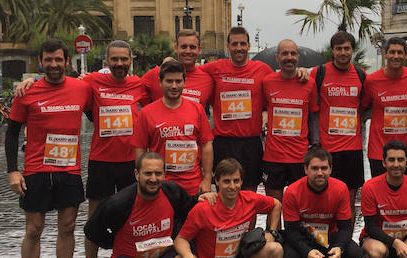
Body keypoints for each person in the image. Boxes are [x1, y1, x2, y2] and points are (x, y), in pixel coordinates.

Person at [5, 38, 93, 258]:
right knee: (33, 229)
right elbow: (12, 133)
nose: (53, 64)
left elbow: (100, 110)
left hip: (69, 170)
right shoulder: (27, 92)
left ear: (67, 61)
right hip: (36, 170)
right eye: (48, 60)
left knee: (67, 228)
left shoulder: (82, 88)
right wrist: (12, 170)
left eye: (58, 59)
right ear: (40, 62)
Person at [80, 40, 151, 258]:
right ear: (106, 62)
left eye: (124, 59)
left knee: (132, 219)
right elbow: (64, 85)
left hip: (130, 162)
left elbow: (161, 83)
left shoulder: (138, 85)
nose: (120, 64)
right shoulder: (91, 82)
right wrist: (28, 83)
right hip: (101, 160)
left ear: (130, 60)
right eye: (115, 60)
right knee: (94, 219)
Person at [173, 158, 284, 258]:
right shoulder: (203, 208)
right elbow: (181, 239)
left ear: (241, 181)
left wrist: (272, 232)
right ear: (216, 182)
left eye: (236, 181)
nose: (232, 186)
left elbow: (276, 205)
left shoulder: (249, 199)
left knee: (276, 249)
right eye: (226, 181)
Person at [280, 147, 360, 258]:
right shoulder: (292, 191)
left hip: (329, 239)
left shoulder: (340, 188)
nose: (320, 173)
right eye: (314, 168)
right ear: (305, 169)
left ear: (331, 169)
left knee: (355, 254)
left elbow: (345, 228)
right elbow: (291, 231)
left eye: (324, 168)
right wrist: (306, 251)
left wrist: (339, 247)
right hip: (303, 239)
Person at [203, 26, 274, 191]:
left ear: (249, 46)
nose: (239, 48)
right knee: (224, 193)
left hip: (250, 143)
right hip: (223, 143)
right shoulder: (215, 68)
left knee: (250, 195)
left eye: (243, 44)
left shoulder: (262, 69)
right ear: (228, 46)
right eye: (234, 44)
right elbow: (189, 73)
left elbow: (282, 82)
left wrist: (302, 73)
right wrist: (168, 63)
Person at [132, 60, 214, 197]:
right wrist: (143, 179)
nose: (174, 86)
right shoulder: (147, 113)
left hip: (193, 185)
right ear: (160, 82)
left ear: (184, 82)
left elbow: (206, 145)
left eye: (178, 81)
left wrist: (207, 178)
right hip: (160, 186)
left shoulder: (197, 110)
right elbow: (140, 148)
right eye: (169, 81)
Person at [312, 31, 367, 212]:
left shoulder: (361, 76)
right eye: (338, 49)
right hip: (327, 149)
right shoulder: (319, 73)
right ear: (332, 50)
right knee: (325, 199)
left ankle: (346, 239)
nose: (343, 52)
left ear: (352, 50)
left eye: (346, 48)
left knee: (349, 201)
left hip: (353, 148)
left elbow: (368, 106)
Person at [261, 39, 318, 202]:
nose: (289, 57)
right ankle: (274, 229)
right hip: (273, 156)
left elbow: (314, 117)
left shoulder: (309, 83)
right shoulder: (267, 82)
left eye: (293, 53)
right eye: (285, 53)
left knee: (300, 206)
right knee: (273, 206)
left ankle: (295, 229)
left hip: (299, 157)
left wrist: (315, 147)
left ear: (298, 57)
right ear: (277, 57)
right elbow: (263, 109)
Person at [362, 37, 407, 179]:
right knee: (381, 196)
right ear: (385, 54)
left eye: (400, 52)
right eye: (392, 52)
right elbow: (363, 106)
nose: (396, 56)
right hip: (379, 151)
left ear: (405, 55)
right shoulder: (372, 80)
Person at [141, 29, 214, 107]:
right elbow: (132, 90)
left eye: (192, 47)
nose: (188, 51)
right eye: (183, 47)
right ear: (176, 48)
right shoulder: (157, 73)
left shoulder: (207, 80)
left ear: (199, 50)